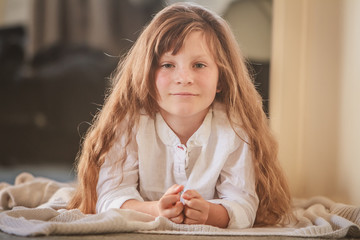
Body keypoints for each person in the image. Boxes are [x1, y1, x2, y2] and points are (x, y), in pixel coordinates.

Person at [68, 2, 291, 229]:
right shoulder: (130, 124)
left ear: (221, 79)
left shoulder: (234, 130)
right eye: (167, 64)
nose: (184, 78)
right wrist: (155, 210)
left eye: (199, 65)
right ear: (146, 73)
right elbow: (109, 198)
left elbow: (243, 205)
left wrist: (209, 214)